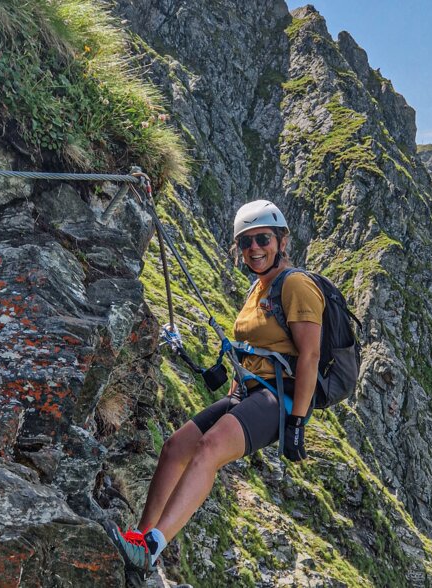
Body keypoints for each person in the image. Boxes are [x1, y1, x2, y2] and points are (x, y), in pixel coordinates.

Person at [106, 200, 324, 573]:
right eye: (245, 242)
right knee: (175, 448)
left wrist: (298, 423)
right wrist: (233, 394)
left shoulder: (297, 285)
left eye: (262, 239)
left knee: (208, 449)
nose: (254, 248)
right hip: (248, 392)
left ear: (281, 241)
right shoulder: (258, 289)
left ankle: (153, 547)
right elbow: (254, 348)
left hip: (281, 398)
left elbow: (310, 356)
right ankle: (139, 539)